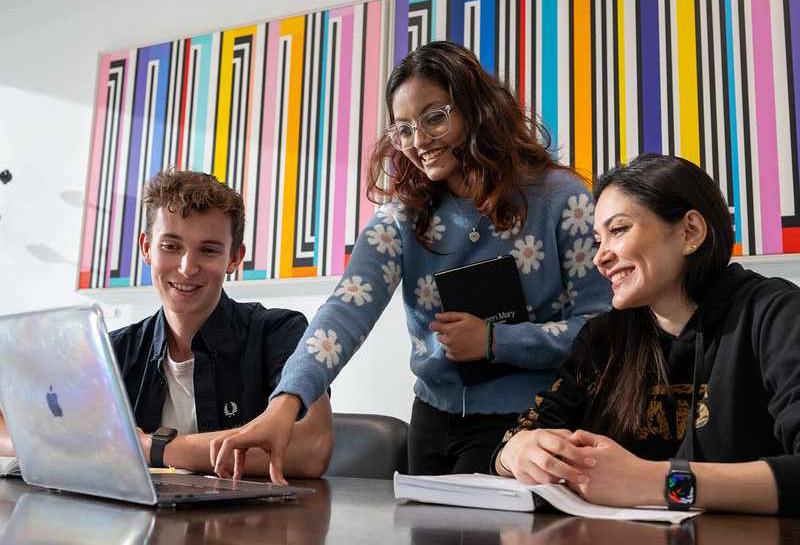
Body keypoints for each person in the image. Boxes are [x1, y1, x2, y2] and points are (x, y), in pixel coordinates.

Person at [210, 41, 611, 481]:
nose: (417, 142)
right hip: (432, 422)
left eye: (435, 118)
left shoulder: (560, 198)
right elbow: (346, 312)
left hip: (532, 421)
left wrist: (498, 341)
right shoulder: (402, 217)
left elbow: (600, 328)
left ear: (478, 110)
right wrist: (285, 404)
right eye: (403, 129)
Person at [492, 153, 800, 515]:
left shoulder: (775, 314)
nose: (600, 258)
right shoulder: (602, 338)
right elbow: (514, 442)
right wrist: (519, 451)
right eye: (597, 239)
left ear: (690, 232)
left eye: (618, 230)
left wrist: (657, 482)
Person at [100, 170, 331, 476]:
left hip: (251, 523)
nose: (186, 267)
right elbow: (41, 432)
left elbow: (312, 447)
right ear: (146, 248)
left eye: (208, 250)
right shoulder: (113, 350)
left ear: (234, 258)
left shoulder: (279, 332)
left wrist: (151, 449)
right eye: (171, 246)